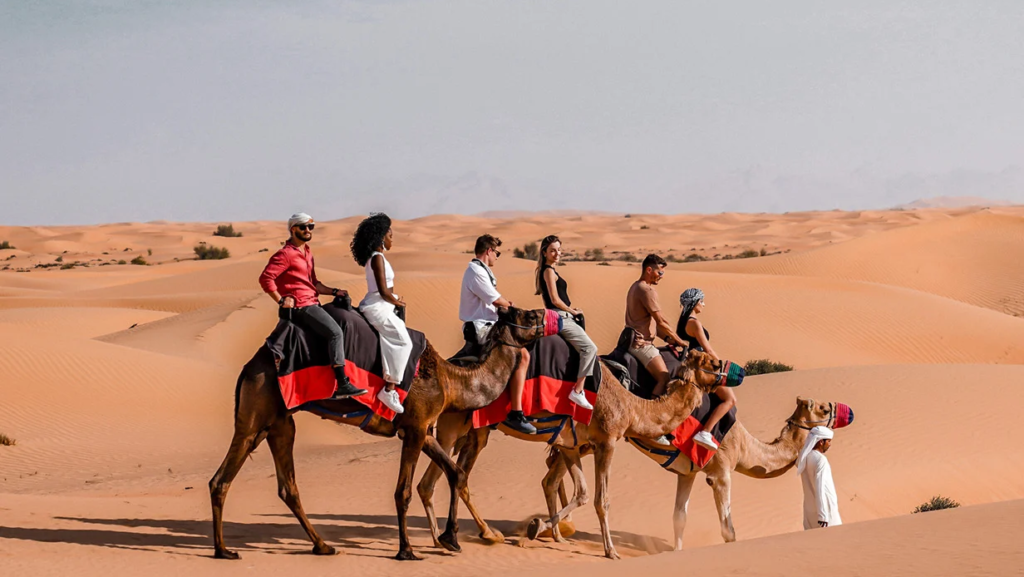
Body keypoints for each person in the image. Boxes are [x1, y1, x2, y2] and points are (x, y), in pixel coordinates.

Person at [259, 212, 368, 400]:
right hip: (302, 306)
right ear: (293, 229)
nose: (308, 230)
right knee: (335, 333)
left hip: (313, 301)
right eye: (303, 227)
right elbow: (266, 278)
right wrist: (281, 300)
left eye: (311, 227)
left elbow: (314, 283)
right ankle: (342, 383)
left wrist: (334, 292)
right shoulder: (285, 255)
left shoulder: (307, 252)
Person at [459, 234, 536, 435]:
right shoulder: (475, 271)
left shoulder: (480, 271)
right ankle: (516, 413)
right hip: (480, 328)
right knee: (521, 356)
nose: (497, 257)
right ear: (489, 250)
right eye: (497, 253)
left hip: (488, 324)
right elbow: (494, 299)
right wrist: (509, 304)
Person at [350, 213, 411, 414]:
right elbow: (384, 291)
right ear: (381, 237)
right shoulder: (377, 258)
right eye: (390, 236)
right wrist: (397, 300)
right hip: (378, 306)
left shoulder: (378, 257)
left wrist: (394, 300)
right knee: (404, 342)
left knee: (394, 338)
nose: (392, 240)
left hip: (383, 305)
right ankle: (390, 389)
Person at [535, 235, 596, 411]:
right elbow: (554, 300)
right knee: (590, 349)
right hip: (560, 316)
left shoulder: (552, 271)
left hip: (563, 314)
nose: (557, 253)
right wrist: (572, 311)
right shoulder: (548, 271)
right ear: (544, 252)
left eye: (559, 250)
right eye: (553, 250)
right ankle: (578, 390)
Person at [677, 288, 737, 451]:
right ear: (695, 303)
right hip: (702, 366)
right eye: (701, 301)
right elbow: (708, 350)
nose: (703, 304)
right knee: (730, 400)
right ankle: (705, 432)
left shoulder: (682, 322)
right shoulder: (694, 323)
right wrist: (722, 366)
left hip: (690, 363)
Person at [624, 254, 689, 397]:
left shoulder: (635, 286)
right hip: (641, 345)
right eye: (659, 272)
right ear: (648, 270)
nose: (661, 276)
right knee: (664, 378)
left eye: (663, 273)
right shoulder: (647, 290)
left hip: (631, 341)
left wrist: (668, 339)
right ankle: (653, 412)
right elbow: (661, 321)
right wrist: (680, 341)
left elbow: (647, 322)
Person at [798, 426, 843, 530]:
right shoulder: (820, 460)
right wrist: (822, 515)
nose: (830, 444)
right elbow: (820, 488)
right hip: (826, 512)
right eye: (828, 441)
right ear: (821, 442)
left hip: (810, 511)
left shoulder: (805, 458)